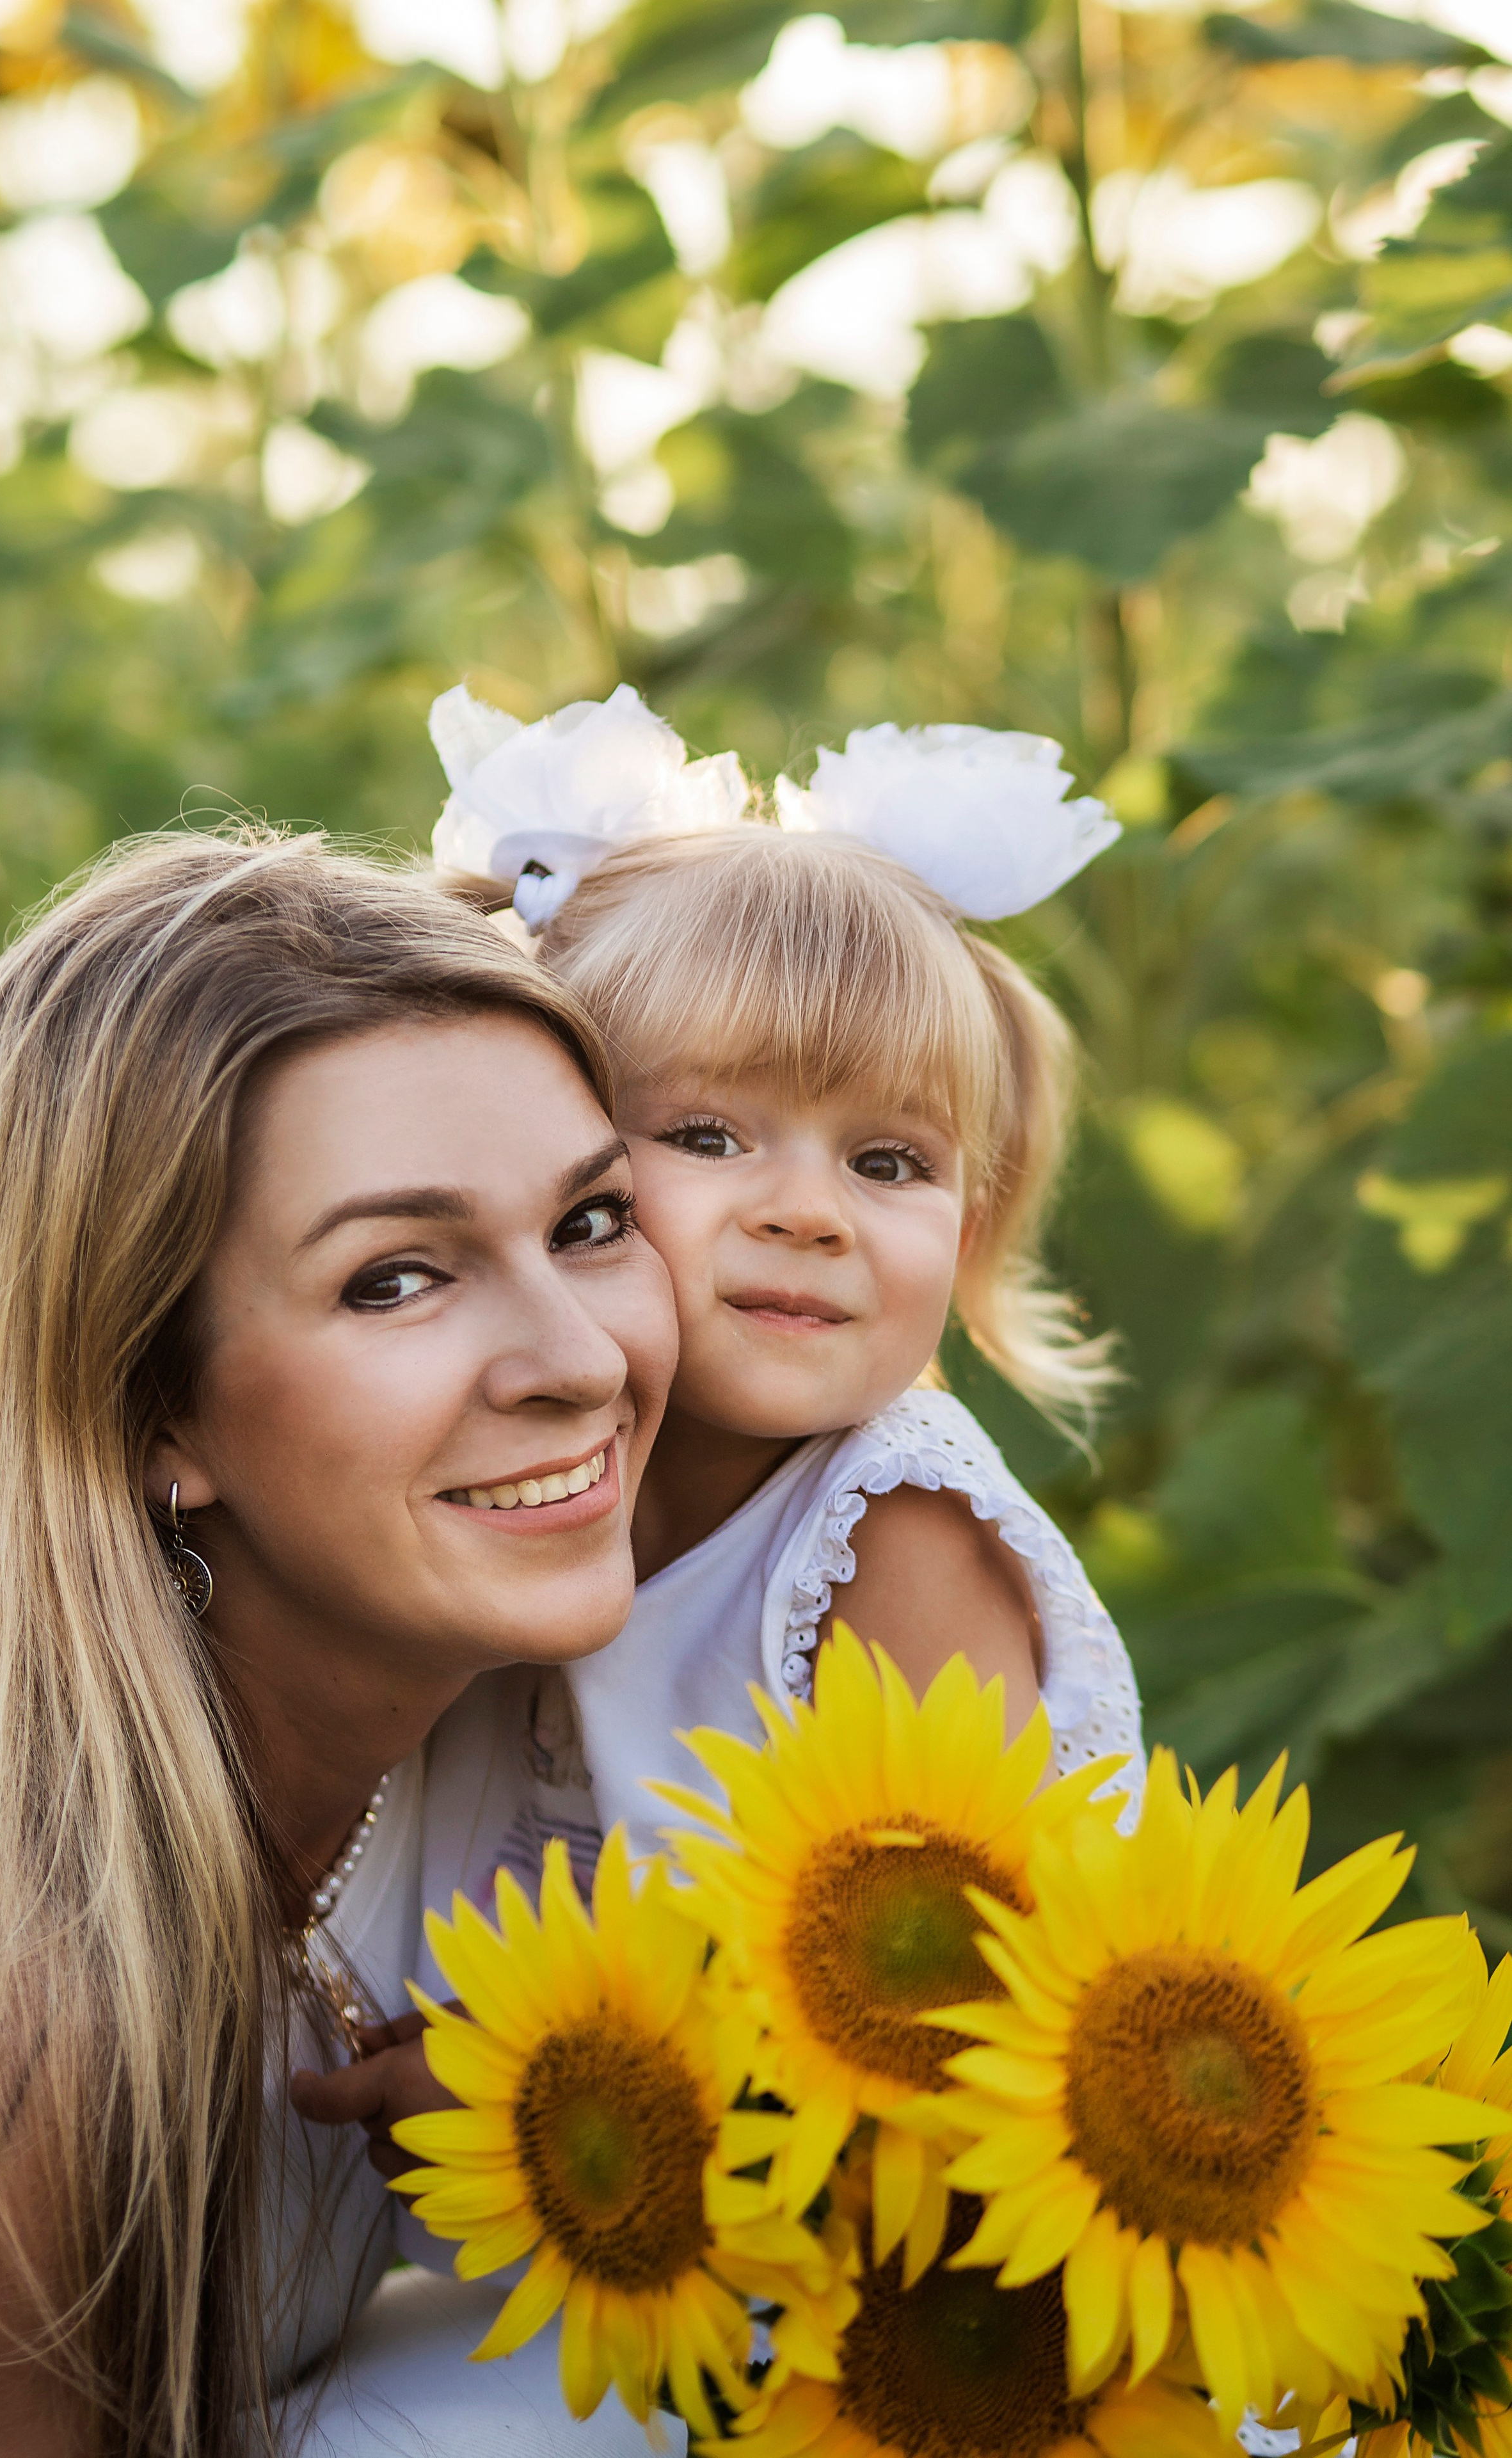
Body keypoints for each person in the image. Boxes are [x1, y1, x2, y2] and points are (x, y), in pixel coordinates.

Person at [0, 827, 679, 2456]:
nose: (578, 1357)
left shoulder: (599, 1710)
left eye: (592, 1219)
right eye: (395, 1279)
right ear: (148, 1411)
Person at [308, 687, 1147, 2214]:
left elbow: (944, 2018)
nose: (806, 1209)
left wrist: (536, 2081)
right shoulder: (527, 1485)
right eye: (708, 1137)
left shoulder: (891, 1533)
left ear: (968, 1225)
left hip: (889, 2263)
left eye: (887, 1160)